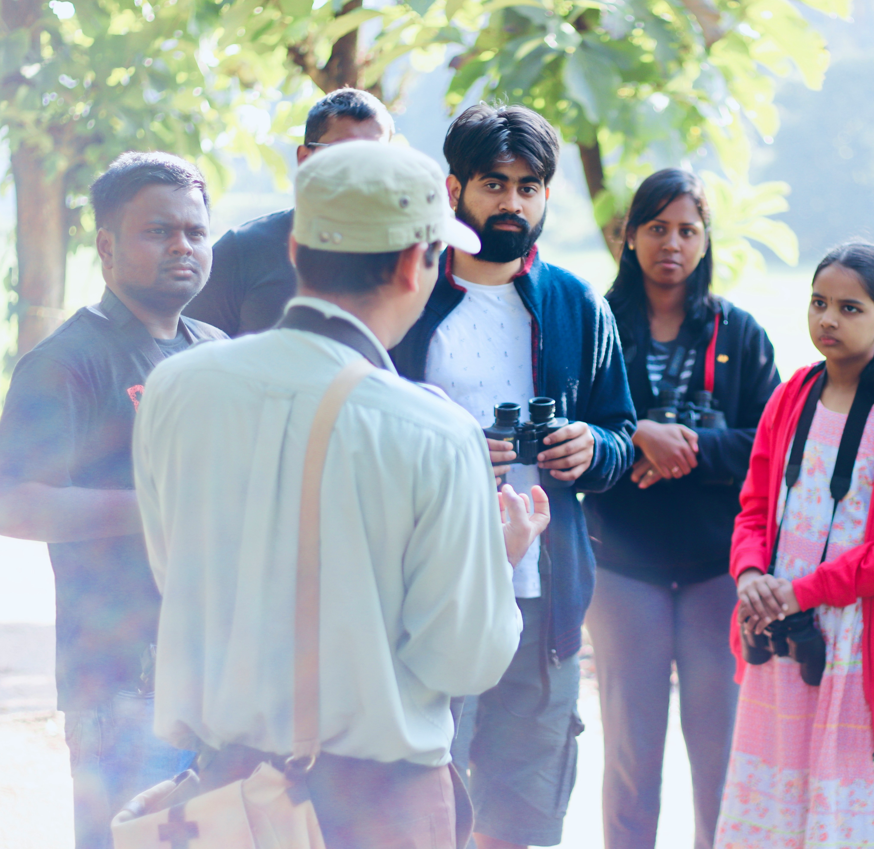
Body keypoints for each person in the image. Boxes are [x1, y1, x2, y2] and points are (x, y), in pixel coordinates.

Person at [132, 140, 542, 848]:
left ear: (295, 248)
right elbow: (463, 658)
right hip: (373, 805)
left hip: (226, 800)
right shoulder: (436, 432)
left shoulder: (178, 385)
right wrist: (498, 558)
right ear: (419, 262)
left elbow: (176, 572)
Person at [389, 103, 636, 849]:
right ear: (453, 186)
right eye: (494, 184)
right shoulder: (408, 293)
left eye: (529, 186)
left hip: (544, 598)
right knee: (426, 796)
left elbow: (621, 431)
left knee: (523, 809)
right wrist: (456, 452)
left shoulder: (576, 304)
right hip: (430, 591)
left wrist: (591, 447)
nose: (513, 203)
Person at [0, 152, 226, 849]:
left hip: (217, 676)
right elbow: (14, 501)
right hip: (121, 681)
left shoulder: (214, 350)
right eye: (159, 231)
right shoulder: (66, 361)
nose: (182, 246)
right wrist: (155, 507)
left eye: (195, 231)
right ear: (105, 246)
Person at [717, 241, 874, 849]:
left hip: (861, 645)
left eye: (849, 308)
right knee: (777, 808)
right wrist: (749, 576)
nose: (828, 319)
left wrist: (800, 589)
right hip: (783, 630)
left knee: (850, 821)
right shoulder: (791, 394)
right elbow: (753, 507)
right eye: (819, 303)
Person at [582, 168, 780, 849]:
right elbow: (576, 423)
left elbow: (772, 444)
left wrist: (687, 448)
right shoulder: (595, 324)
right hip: (622, 566)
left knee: (721, 756)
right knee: (631, 757)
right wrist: (638, 433)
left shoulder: (742, 333)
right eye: (656, 227)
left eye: (687, 229)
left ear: (705, 240)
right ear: (628, 236)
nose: (672, 242)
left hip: (716, 571)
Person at [182, 87, 394, 335]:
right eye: (341, 153)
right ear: (305, 158)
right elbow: (190, 354)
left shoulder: (406, 257)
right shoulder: (243, 251)